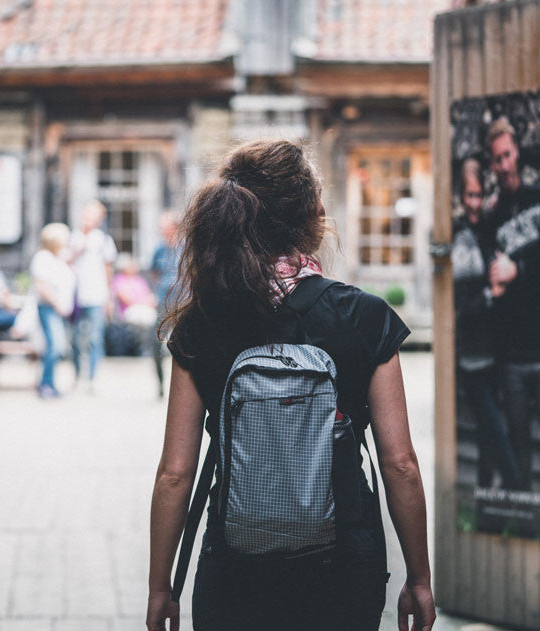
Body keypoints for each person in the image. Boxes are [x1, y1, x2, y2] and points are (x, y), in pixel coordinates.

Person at [146, 140, 435, 631]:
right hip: (342, 566)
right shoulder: (363, 318)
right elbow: (399, 463)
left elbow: (176, 473)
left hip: (234, 567)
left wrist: (160, 587)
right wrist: (420, 578)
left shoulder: (204, 323)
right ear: (313, 216)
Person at [484, 117, 540, 488]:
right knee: (520, 459)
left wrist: (517, 269)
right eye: (496, 159)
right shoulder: (491, 217)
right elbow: (489, 278)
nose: (503, 164)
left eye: (507, 155)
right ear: (491, 165)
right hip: (512, 360)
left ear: (518, 154)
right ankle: (527, 528)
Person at [452, 159, 522, 490]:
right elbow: (463, 307)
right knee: (494, 428)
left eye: (479, 195)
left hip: (495, 348)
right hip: (472, 353)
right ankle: (516, 486)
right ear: (460, 196)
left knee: (486, 433)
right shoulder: (461, 236)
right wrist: (492, 294)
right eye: (468, 195)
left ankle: (485, 505)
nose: (474, 203)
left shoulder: (487, 229)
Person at [69, 200, 117, 391]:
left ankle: (91, 379)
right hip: (75, 295)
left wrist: (109, 297)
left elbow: (108, 269)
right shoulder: (73, 237)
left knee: (95, 338)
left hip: (97, 295)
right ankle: (77, 374)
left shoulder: (104, 240)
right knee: (74, 338)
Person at [30, 223, 75, 399]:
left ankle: (50, 383)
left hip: (57, 310)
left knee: (56, 346)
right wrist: (57, 303)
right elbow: (41, 285)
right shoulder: (42, 258)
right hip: (48, 308)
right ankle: (45, 384)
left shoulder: (56, 258)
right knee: (54, 346)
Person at [150, 211, 181, 397]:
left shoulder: (186, 247)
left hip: (184, 304)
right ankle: (161, 385)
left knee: (183, 347)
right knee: (156, 343)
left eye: (164, 226)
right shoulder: (159, 249)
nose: (161, 230)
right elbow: (153, 272)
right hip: (163, 303)